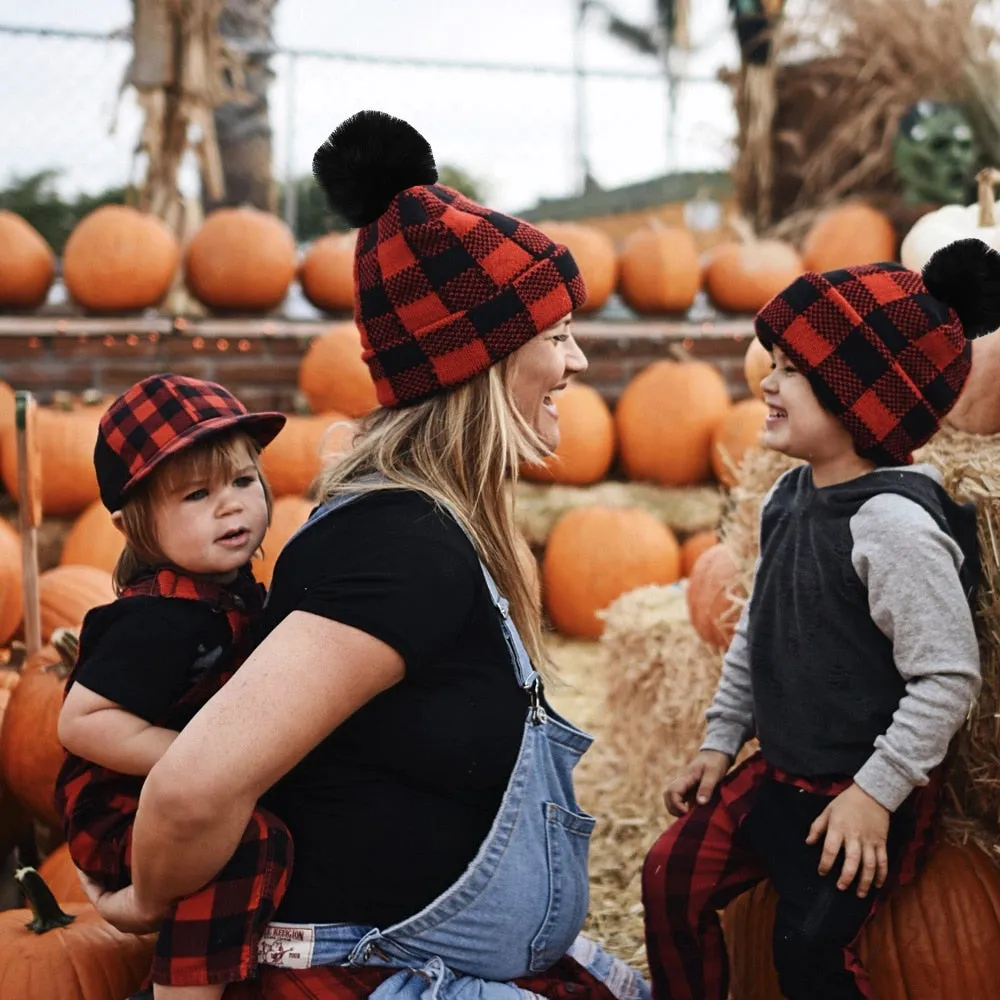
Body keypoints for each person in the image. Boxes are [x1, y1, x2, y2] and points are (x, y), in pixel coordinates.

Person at [80, 110, 649, 1000]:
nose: (576, 360)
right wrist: (147, 899)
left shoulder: (431, 526)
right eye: (557, 333)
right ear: (483, 359)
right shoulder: (398, 542)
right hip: (379, 974)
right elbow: (193, 791)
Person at [642, 238, 1000, 1000]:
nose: (766, 384)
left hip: (864, 787)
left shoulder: (894, 527)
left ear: (859, 399)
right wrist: (719, 739)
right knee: (669, 876)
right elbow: (755, 633)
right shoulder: (786, 498)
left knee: (807, 950)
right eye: (772, 365)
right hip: (780, 771)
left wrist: (876, 795)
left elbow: (947, 675)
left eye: (791, 372)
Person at [55, 373, 289, 1000]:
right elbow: (79, 722)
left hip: (178, 794)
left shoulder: (234, 595)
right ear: (136, 526)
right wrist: (202, 760)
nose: (231, 504)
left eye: (243, 481)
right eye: (196, 494)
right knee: (246, 835)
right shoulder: (152, 621)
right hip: (121, 812)